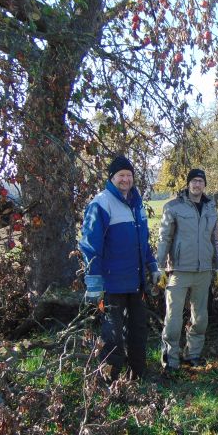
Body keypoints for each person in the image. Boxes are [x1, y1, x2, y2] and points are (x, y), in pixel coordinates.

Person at [79, 155, 161, 381]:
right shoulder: (101, 204)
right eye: (121, 175)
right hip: (112, 284)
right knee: (112, 334)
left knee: (138, 331)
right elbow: (90, 246)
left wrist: (152, 266)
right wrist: (94, 283)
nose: (125, 179)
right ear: (112, 178)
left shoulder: (137, 204)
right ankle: (110, 380)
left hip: (135, 282)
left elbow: (142, 242)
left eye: (129, 175)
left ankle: (137, 375)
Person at [155, 168, 218, 372]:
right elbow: (164, 239)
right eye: (193, 181)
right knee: (173, 318)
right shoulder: (173, 207)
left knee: (200, 317)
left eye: (200, 181)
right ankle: (170, 358)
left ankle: (193, 354)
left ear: (205, 185)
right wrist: (159, 267)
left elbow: (215, 239)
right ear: (188, 184)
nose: (197, 185)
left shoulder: (211, 207)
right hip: (179, 270)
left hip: (203, 270)